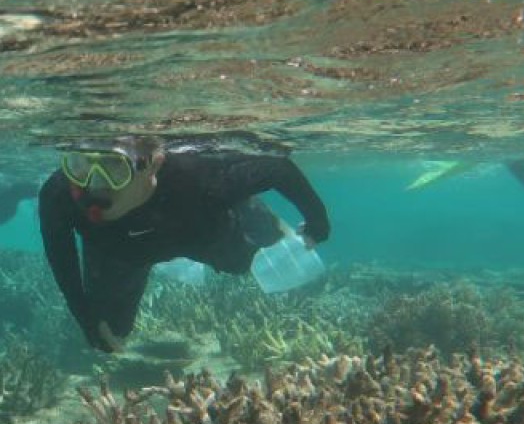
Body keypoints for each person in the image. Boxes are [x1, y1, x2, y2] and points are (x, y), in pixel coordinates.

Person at [38, 136, 330, 353]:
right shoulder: (60, 194)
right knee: (112, 332)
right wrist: (85, 316)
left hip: (199, 230)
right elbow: (60, 255)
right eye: (80, 166)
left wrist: (317, 222)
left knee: (240, 264)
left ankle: (249, 210)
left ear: (153, 164)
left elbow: (277, 167)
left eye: (114, 167)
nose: (94, 187)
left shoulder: (199, 178)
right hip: (123, 253)